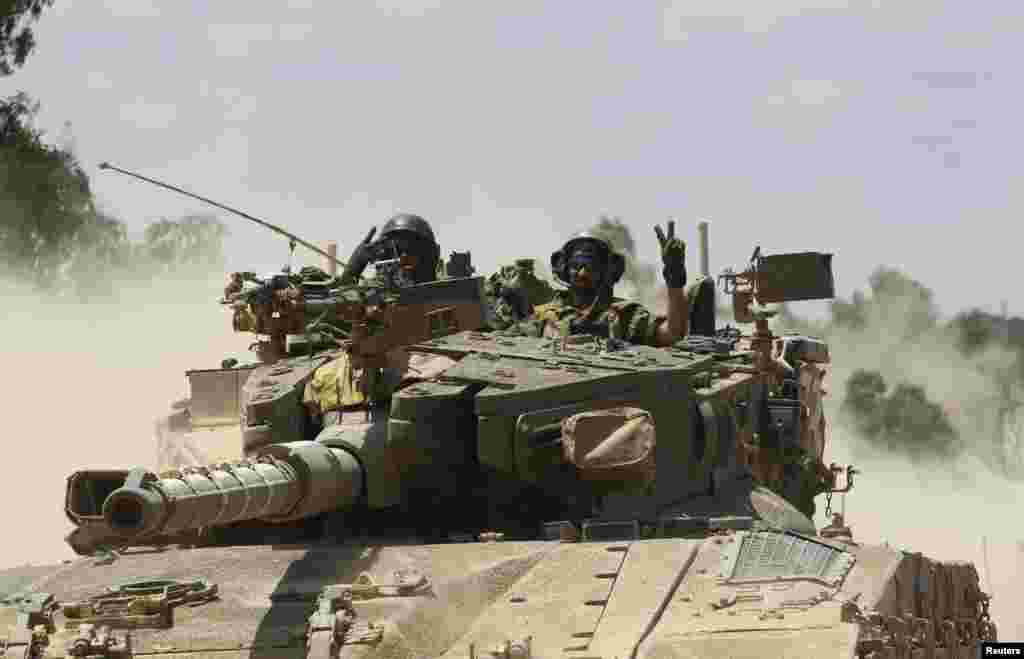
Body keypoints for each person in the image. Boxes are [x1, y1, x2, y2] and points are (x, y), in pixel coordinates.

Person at [509, 221, 690, 346]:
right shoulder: (545, 315)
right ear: (564, 269)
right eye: (576, 266)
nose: (582, 273)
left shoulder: (625, 315)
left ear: (607, 271)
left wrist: (674, 279)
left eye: (591, 267)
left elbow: (672, 334)